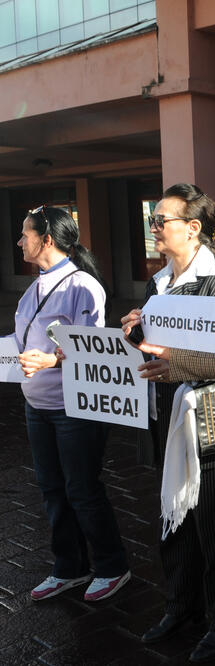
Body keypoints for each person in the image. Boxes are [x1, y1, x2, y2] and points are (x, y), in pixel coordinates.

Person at [121, 184, 215, 663]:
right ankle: (181, 607)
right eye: (152, 219)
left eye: (162, 220)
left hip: (211, 422)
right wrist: (136, 331)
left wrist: (175, 364)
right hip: (166, 422)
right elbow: (155, 349)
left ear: (194, 228)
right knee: (173, 522)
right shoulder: (158, 284)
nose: (153, 228)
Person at [12, 205, 131, 602]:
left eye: (25, 234)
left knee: (81, 488)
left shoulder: (82, 286)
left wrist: (49, 359)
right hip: (37, 406)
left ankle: (112, 566)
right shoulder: (35, 287)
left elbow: (94, 347)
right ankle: (69, 568)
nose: (19, 241)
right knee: (51, 489)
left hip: (73, 407)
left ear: (46, 239)